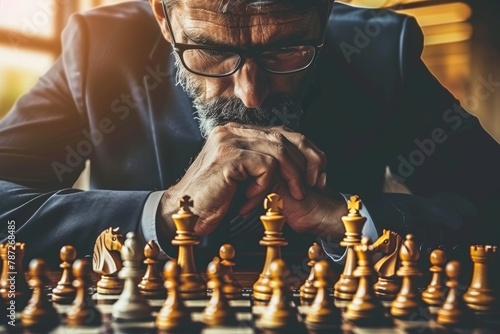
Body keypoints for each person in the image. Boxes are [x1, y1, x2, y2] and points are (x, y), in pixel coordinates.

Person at [0, 0, 499, 268]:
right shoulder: (97, 48)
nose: (250, 94)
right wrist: (166, 209)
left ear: (323, 15)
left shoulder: (382, 51)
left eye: (285, 50)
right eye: (209, 51)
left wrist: (347, 217)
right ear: (163, 16)